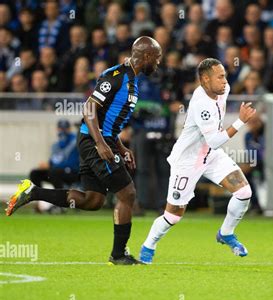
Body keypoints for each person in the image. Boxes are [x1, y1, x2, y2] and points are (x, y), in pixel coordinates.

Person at [6, 36, 163, 266]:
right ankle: (119, 255)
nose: (158, 64)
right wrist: (100, 143)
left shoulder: (132, 81)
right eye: (157, 59)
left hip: (102, 140)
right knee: (127, 193)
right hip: (93, 141)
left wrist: (120, 146)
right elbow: (89, 107)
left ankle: (33, 192)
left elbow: (108, 120)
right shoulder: (116, 76)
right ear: (147, 56)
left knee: (93, 201)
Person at [139, 58, 257, 264]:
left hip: (210, 155)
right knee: (173, 216)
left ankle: (226, 233)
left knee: (244, 192)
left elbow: (212, 143)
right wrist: (240, 121)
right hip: (188, 160)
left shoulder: (224, 88)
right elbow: (215, 139)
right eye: (220, 77)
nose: (225, 81)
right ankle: (148, 246)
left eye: (225, 76)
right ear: (204, 80)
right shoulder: (202, 104)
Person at [29, 119, 79, 193]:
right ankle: (41, 198)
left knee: (54, 172)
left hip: (73, 172)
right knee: (35, 173)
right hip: (58, 170)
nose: (63, 131)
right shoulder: (57, 144)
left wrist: (51, 166)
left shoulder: (75, 142)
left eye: (65, 128)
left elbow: (73, 164)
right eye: (61, 128)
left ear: (69, 129)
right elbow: (55, 160)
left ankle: (61, 198)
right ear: (57, 129)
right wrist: (47, 164)